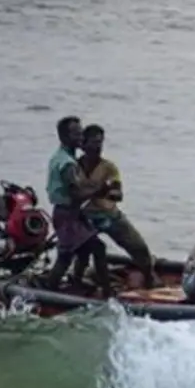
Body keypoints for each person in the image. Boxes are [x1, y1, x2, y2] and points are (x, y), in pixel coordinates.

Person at [70, 124, 157, 289]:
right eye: (94, 143)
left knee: (138, 246)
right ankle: (78, 281)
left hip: (108, 214)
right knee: (83, 252)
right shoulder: (74, 167)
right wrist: (94, 192)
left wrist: (107, 193)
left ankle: (149, 276)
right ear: (83, 144)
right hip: (85, 217)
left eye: (100, 143)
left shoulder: (109, 168)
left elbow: (118, 193)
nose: (98, 147)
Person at [42, 116, 113, 295]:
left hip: (66, 213)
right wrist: (98, 190)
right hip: (67, 215)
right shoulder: (67, 164)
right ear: (65, 137)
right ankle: (106, 292)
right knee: (93, 249)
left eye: (81, 133)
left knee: (78, 252)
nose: (81, 137)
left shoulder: (60, 157)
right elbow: (76, 194)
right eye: (76, 134)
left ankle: (72, 283)